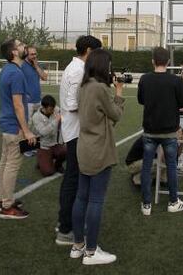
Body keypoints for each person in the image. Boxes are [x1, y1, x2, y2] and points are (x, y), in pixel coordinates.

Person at [70, 49, 125, 265]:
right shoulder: (100, 88)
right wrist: (119, 92)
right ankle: (91, 251)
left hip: (84, 147)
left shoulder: (84, 86)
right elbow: (116, 114)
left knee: (81, 197)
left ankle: (78, 245)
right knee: (95, 200)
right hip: (99, 149)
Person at [137, 47, 183, 215]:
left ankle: (146, 205)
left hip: (149, 131)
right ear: (168, 62)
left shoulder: (145, 79)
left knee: (148, 167)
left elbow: (141, 100)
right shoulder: (175, 81)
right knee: (171, 165)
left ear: (153, 61)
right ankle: (173, 201)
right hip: (169, 132)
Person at [56, 35, 102, 245]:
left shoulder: (76, 69)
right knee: (73, 181)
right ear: (89, 51)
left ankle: (67, 224)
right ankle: (65, 229)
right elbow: (72, 104)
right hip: (75, 133)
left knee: (74, 181)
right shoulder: (76, 70)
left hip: (74, 131)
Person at [0, 38, 37, 220]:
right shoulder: (16, 73)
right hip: (14, 127)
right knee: (12, 165)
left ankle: (3, 199)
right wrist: (26, 130)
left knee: (5, 164)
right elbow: (18, 105)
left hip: (6, 125)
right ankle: (7, 206)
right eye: (20, 45)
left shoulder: (7, 70)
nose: (24, 47)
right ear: (14, 52)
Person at [21, 46, 49, 157]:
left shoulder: (37, 65)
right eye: (32, 54)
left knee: (38, 124)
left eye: (35, 54)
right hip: (27, 101)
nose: (34, 56)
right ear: (26, 54)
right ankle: (26, 149)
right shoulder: (22, 65)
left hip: (38, 100)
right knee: (27, 125)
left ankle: (34, 146)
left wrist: (36, 65)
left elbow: (45, 77)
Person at [30, 95, 66, 177]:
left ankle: (58, 165)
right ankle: (41, 160)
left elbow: (63, 112)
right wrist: (56, 121)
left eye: (53, 108)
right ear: (43, 107)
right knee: (48, 172)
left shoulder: (55, 109)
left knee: (65, 151)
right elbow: (43, 132)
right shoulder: (36, 117)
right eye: (50, 109)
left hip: (55, 143)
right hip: (44, 146)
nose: (53, 111)